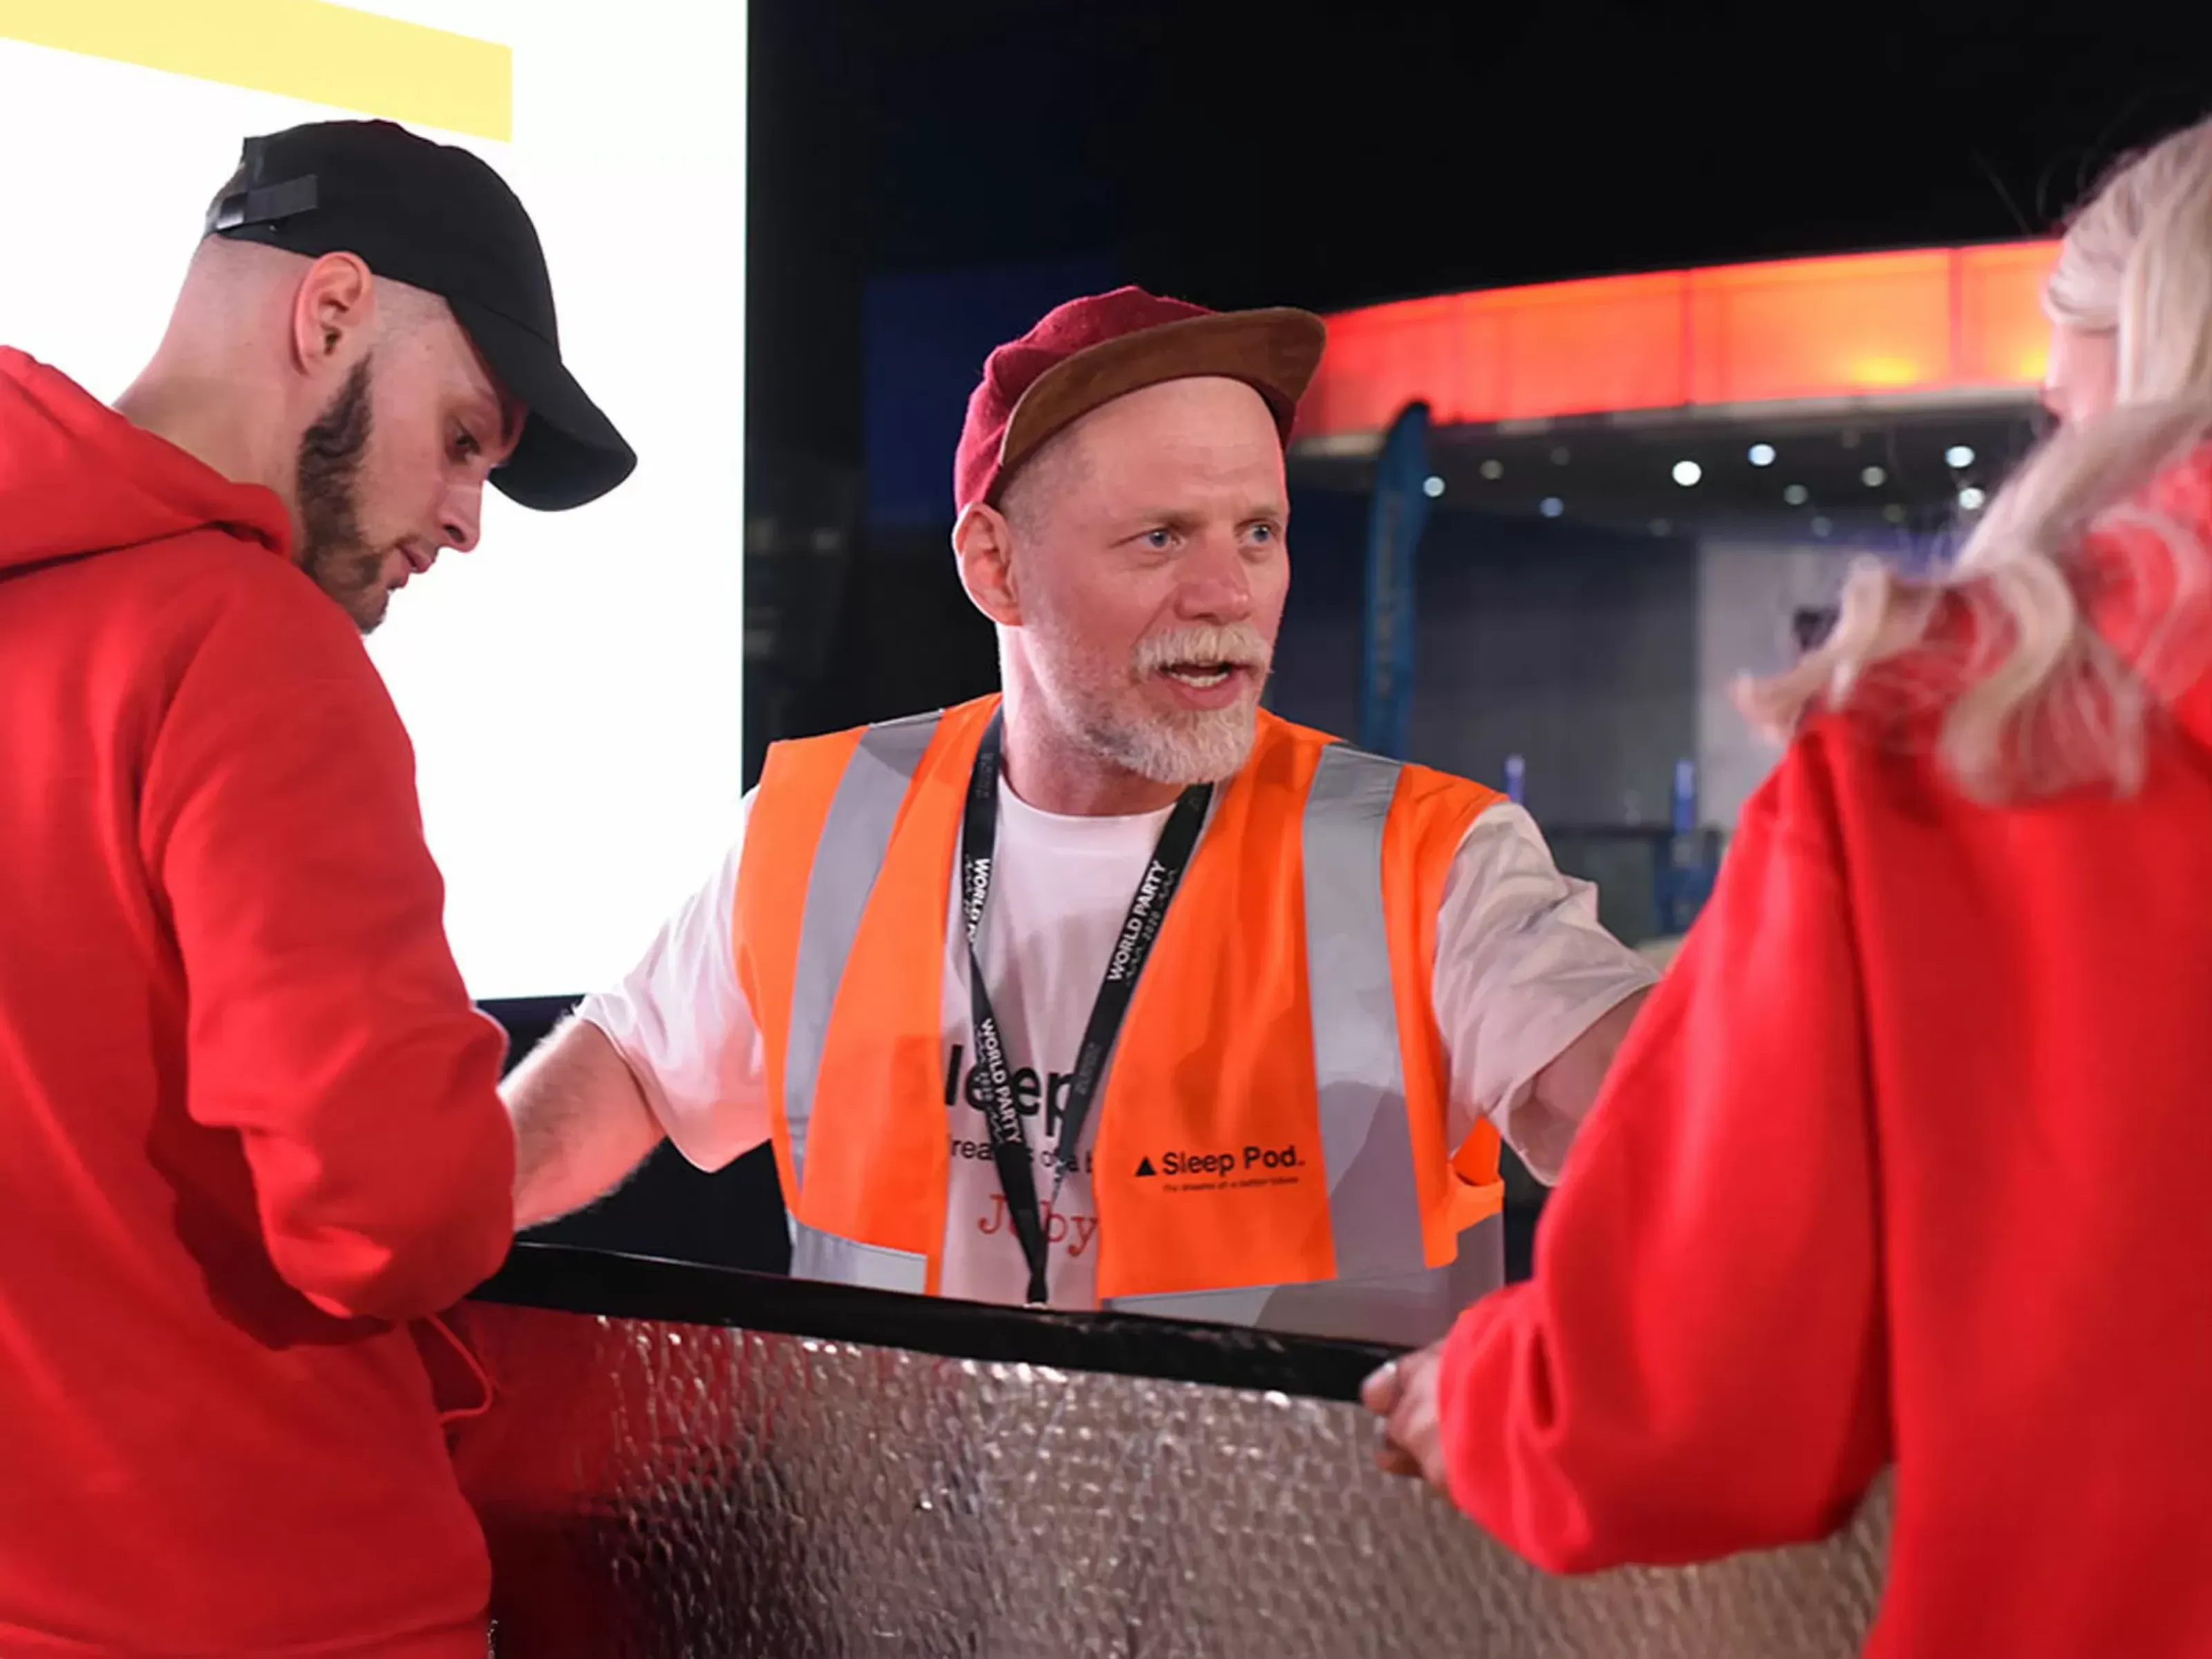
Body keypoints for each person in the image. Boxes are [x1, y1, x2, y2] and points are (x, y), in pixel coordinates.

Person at [1365, 113, 2212, 1657]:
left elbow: (1691, 1390)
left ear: (2144, 376)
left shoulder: (1960, 732)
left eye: (2062, 412)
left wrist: (1479, 1399)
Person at [505, 286, 1652, 1344]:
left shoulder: (1431, 861)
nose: (1227, 593)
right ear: (995, 569)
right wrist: (425, 1226)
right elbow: (632, 1071)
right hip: (897, 1500)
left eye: (1258, 532)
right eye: (1162, 537)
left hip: (1303, 1506)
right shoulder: (823, 825)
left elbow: (1643, 1101)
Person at [0, 120, 632, 1656]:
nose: (467, 521)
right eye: (466, 439)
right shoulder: (250, 645)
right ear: (332, 308)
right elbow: (390, 1215)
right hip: (273, 1600)